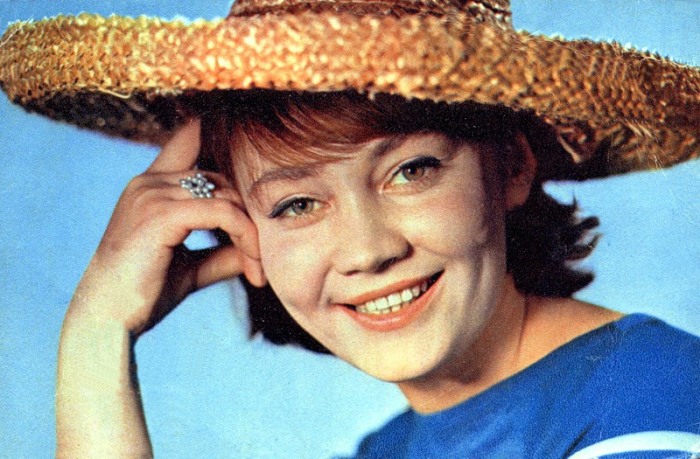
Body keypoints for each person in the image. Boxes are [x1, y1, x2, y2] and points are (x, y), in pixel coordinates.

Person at [1, 1, 698, 457]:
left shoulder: (654, 397)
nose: (368, 251)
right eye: (296, 205)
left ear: (511, 166)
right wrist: (96, 335)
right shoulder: (383, 451)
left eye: (412, 170)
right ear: (242, 231)